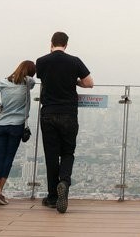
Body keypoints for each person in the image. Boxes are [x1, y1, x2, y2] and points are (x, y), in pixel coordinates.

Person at [35, 31, 93, 213]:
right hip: (68, 113)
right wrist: (75, 81)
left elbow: (44, 79)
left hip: (48, 113)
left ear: (51, 43)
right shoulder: (74, 61)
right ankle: (64, 182)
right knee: (68, 152)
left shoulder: (41, 61)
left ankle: (52, 197)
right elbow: (90, 83)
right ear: (66, 44)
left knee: (51, 156)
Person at [0, 60, 36, 205]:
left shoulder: (3, 82)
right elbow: (31, 82)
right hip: (16, 126)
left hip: (1, 125)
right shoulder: (28, 82)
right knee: (9, 158)